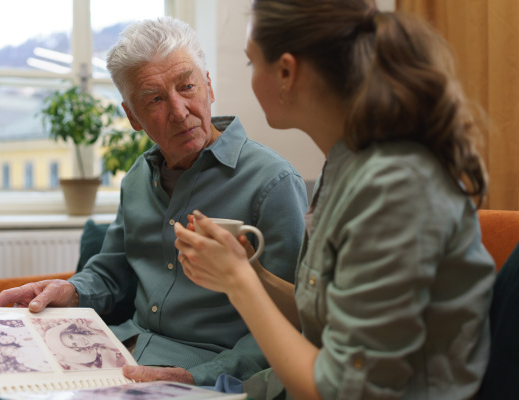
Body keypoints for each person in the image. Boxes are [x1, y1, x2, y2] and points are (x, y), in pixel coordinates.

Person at [174, 1, 496, 399]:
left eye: (250, 64)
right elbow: (325, 316)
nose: (251, 77)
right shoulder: (344, 165)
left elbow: (340, 390)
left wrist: (238, 283)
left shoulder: (395, 187)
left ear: (287, 72)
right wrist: (247, 270)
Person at [0, 16, 307, 387]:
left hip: (206, 372)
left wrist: (197, 377)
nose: (180, 111)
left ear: (209, 87)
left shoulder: (274, 182)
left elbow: (291, 322)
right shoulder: (138, 176)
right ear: (132, 116)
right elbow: (112, 271)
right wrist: (71, 290)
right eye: (155, 99)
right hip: (117, 350)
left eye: (187, 87)